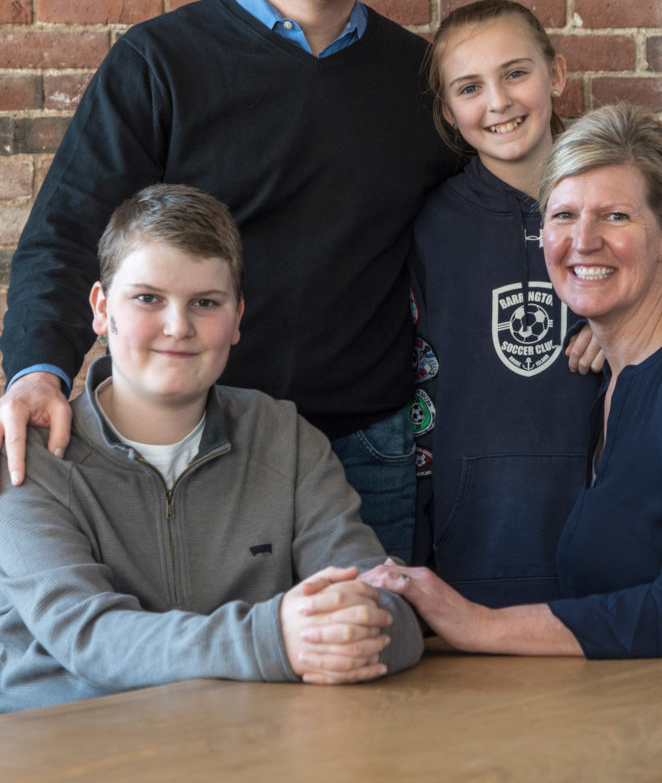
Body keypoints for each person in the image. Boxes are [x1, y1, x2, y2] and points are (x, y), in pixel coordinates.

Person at [0, 0, 455, 561]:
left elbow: (509, 206)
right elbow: (68, 234)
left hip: (366, 452)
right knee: (179, 671)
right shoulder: (157, 64)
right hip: (179, 444)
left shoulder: (421, 81)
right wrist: (36, 369)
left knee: (366, 662)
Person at [0, 184, 423, 712]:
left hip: (246, 745)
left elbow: (387, 605)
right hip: (65, 750)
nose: (178, 326)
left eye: (205, 302)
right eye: (148, 298)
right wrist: (274, 642)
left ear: (237, 316)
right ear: (102, 309)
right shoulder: (31, 453)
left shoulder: (284, 437)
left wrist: (365, 625)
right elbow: (89, 637)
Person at [362, 104, 662, 658]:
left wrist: (478, 625)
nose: (583, 241)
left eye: (616, 217)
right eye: (563, 216)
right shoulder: (616, 380)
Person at [407, 0, 601, 606]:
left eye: (516, 73)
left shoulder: (617, 212)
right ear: (447, 110)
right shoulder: (428, 224)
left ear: (557, 75)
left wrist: (642, 316)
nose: (499, 101)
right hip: (474, 540)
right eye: (470, 87)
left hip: (602, 535)